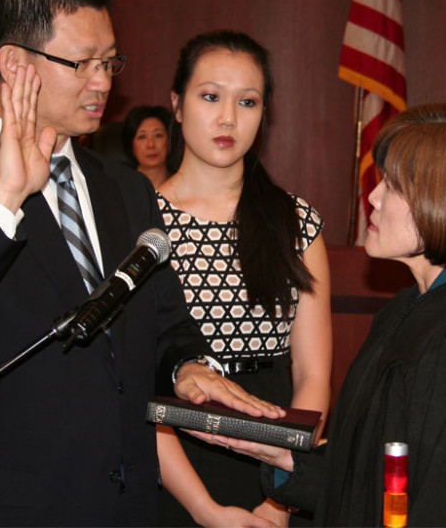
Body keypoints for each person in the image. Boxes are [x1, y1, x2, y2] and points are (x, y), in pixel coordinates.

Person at [0, 0, 279, 527]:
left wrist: (187, 365)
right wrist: (3, 199)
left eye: (109, 62)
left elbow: (163, 321)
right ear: (15, 64)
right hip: (7, 513)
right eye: (82, 63)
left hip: (125, 508)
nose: (104, 82)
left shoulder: (125, 188)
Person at [192, 103, 446, 526]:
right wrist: (284, 455)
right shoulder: (410, 310)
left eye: (394, 185)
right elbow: (379, 482)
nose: (374, 197)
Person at [154, 30, 332, 528]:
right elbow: (134, 383)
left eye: (247, 101)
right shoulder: (139, 222)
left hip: (274, 464)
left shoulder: (295, 222)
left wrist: (279, 501)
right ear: (177, 104)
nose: (228, 117)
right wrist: (203, 509)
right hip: (172, 465)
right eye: (210, 96)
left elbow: (313, 375)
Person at [122, 104, 173, 187]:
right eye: (142, 137)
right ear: (130, 143)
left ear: (169, 140)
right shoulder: (119, 187)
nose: (151, 144)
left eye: (158, 135)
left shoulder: (184, 186)